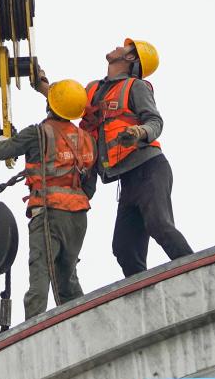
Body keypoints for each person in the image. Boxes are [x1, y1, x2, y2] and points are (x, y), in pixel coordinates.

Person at [80, 38, 193, 277]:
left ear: (130, 58)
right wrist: (44, 88)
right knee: (124, 247)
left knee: (159, 225)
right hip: (128, 179)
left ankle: (196, 274)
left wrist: (139, 132)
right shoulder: (93, 90)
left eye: (125, 47)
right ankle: (145, 296)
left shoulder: (136, 87)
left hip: (149, 168)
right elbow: (68, 104)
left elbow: (155, 121)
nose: (117, 47)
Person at [0, 72, 95, 319]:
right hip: (78, 216)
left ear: (51, 105)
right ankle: (80, 323)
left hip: (48, 213)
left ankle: (33, 330)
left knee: (40, 275)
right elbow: (90, 185)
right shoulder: (86, 139)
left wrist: (0, 139)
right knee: (67, 279)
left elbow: (0, 151)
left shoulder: (36, 133)